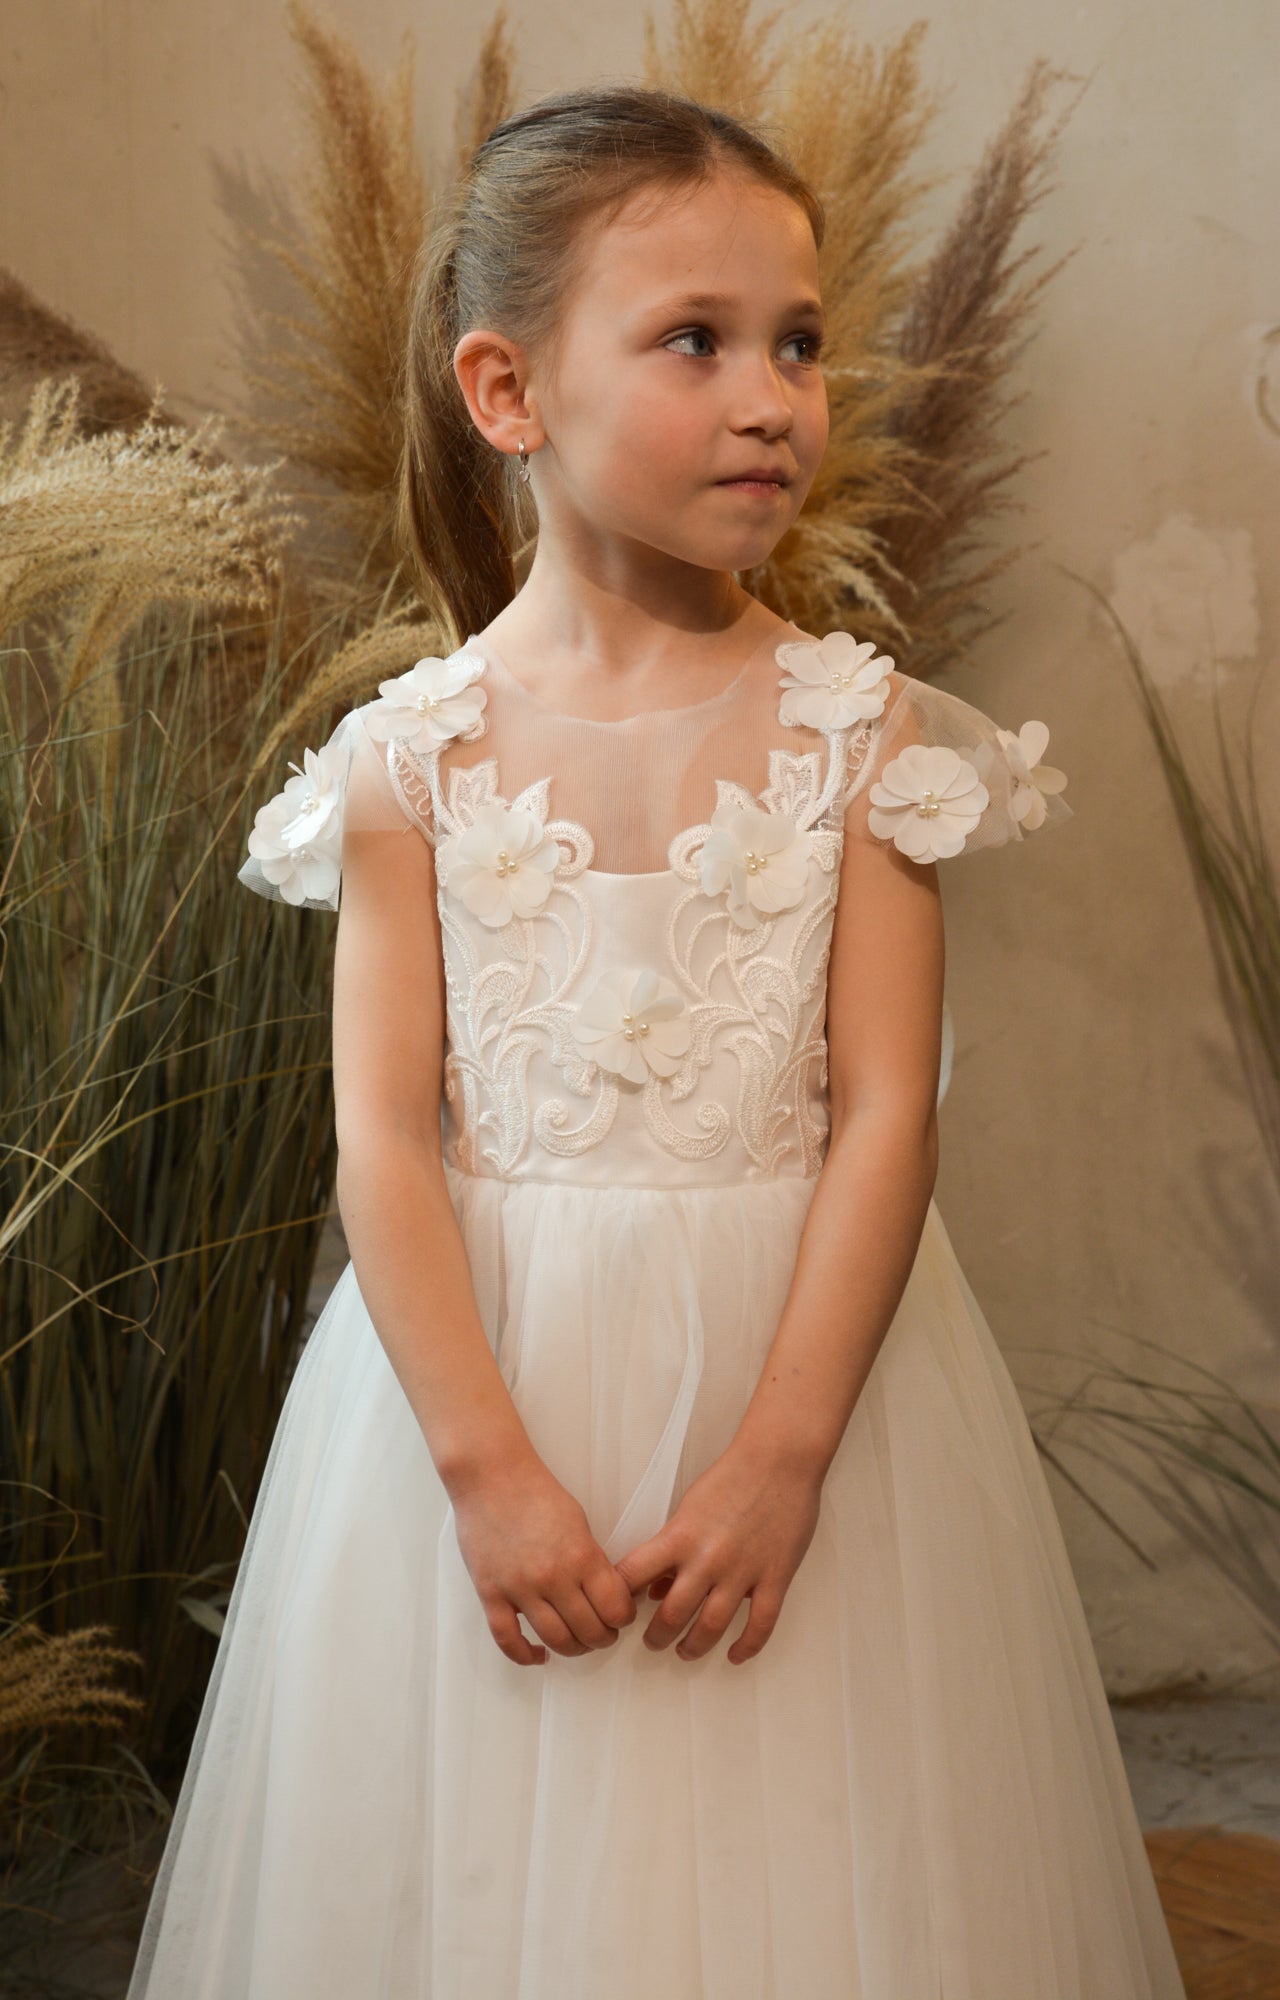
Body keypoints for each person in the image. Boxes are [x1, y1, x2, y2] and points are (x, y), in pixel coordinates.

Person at [127, 82, 1187, 2000]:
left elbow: (886, 1119)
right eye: (694, 341)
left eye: (799, 342)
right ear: (509, 391)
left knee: (820, 1856)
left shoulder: (864, 737)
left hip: (807, 1398)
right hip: (483, 1381)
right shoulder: (410, 761)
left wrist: (785, 1457)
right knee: (481, 1850)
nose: (774, 394)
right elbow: (381, 1135)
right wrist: (482, 1468)